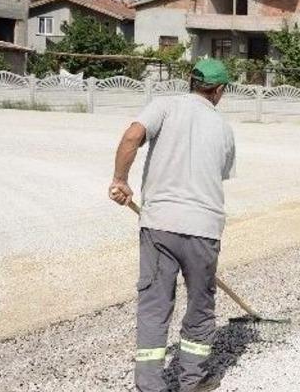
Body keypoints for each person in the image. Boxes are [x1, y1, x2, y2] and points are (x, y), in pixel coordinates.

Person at [109, 58, 235, 392]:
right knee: (199, 304)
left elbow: (131, 137)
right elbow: (218, 174)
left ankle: (150, 385)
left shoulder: (163, 105)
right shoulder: (223, 127)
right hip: (204, 228)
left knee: (154, 304)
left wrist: (120, 180)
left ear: (191, 82)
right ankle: (192, 381)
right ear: (219, 90)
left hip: (159, 225)